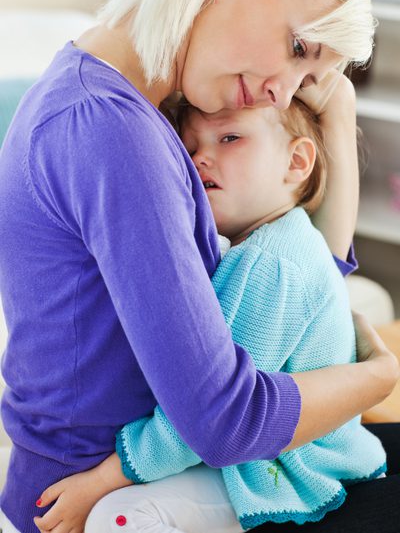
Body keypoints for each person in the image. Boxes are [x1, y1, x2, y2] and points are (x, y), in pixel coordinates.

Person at [0, 0, 398, 533]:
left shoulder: (123, 103)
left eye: (306, 78)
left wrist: (339, 116)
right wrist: (373, 377)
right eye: (297, 46)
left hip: (154, 470)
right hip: (100, 497)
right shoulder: (112, 132)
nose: (283, 92)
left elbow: (292, 283)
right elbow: (225, 420)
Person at [33, 99, 387, 533]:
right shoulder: (283, 241)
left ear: (296, 162)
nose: (200, 158)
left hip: (291, 475)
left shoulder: (269, 265)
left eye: (230, 138)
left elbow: (211, 414)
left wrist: (102, 480)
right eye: (190, 146)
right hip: (266, 456)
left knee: (119, 517)